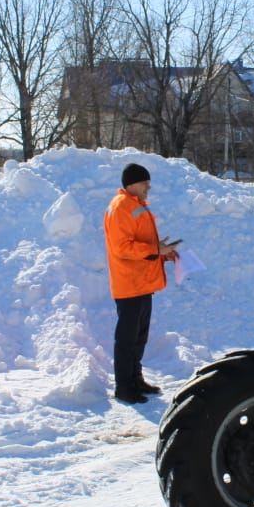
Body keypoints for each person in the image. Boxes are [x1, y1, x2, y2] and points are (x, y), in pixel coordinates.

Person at [103, 162, 179, 404]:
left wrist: (161, 253)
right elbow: (122, 248)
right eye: (145, 182)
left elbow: (141, 243)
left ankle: (136, 379)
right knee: (126, 339)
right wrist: (157, 248)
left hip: (142, 283)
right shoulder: (121, 207)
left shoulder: (135, 205)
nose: (149, 187)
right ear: (132, 183)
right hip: (129, 284)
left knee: (139, 337)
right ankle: (124, 387)